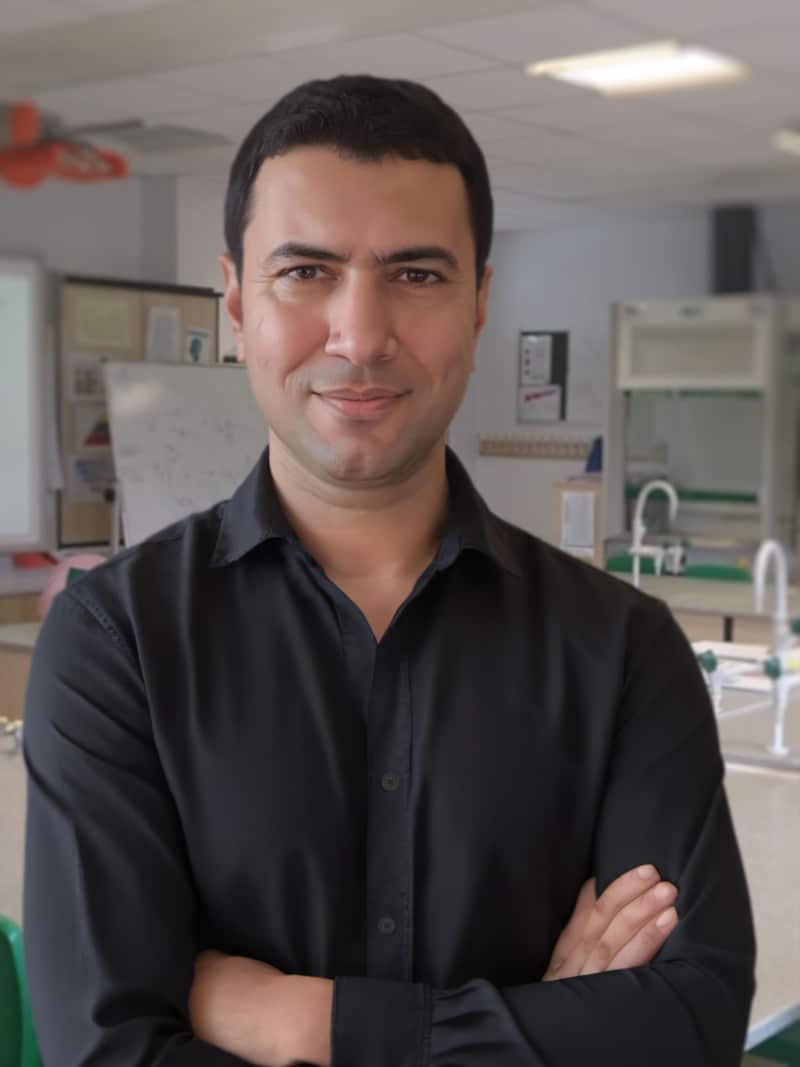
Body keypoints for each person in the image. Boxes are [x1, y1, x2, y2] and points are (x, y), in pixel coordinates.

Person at [23, 75, 755, 1066]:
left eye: (414, 275)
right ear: (236, 296)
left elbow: (685, 1022)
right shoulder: (118, 640)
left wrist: (297, 1018)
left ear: (478, 300)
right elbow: (105, 1052)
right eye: (304, 272)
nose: (360, 337)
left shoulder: (619, 646)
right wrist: (535, 1026)